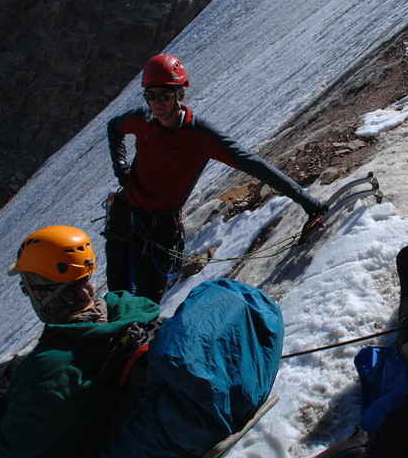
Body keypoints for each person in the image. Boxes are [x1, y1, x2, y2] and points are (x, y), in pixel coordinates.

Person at [105, 53, 326, 302]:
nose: (157, 103)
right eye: (151, 95)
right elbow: (114, 128)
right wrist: (121, 167)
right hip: (125, 216)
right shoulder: (140, 120)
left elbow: (253, 164)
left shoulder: (199, 135)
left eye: (165, 95)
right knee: (117, 296)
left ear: (180, 95)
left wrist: (305, 200)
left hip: (161, 226)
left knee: (145, 303)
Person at [0, 226, 160, 457]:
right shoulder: (131, 312)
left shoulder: (52, 371)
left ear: (44, 292)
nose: (28, 295)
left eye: (26, 287)